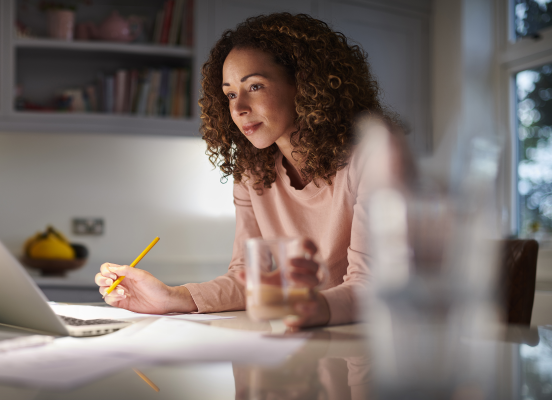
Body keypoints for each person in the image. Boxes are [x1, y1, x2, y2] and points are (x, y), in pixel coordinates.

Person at [95, 12, 395, 328]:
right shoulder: (252, 171)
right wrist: (171, 297)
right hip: (290, 346)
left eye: (255, 86)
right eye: (231, 94)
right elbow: (249, 278)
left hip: (359, 350)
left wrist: (306, 306)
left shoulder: (370, 161)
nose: (238, 109)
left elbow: (370, 286)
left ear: (306, 84)